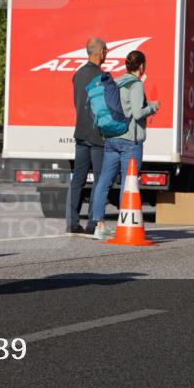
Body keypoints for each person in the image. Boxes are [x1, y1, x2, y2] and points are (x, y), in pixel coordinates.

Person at [87, 50, 160, 240]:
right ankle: (125, 224)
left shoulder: (117, 81)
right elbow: (136, 113)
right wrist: (153, 107)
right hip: (129, 141)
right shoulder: (136, 84)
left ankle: (99, 224)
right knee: (128, 184)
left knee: (104, 181)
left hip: (111, 138)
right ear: (142, 66)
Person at [66, 37, 108, 233]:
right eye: (105, 50)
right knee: (99, 180)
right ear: (100, 52)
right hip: (97, 134)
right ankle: (92, 222)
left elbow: (78, 103)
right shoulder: (102, 77)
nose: (106, 53)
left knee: (78, 179)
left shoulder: (78, 74)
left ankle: (72, 223)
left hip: (80, 132)